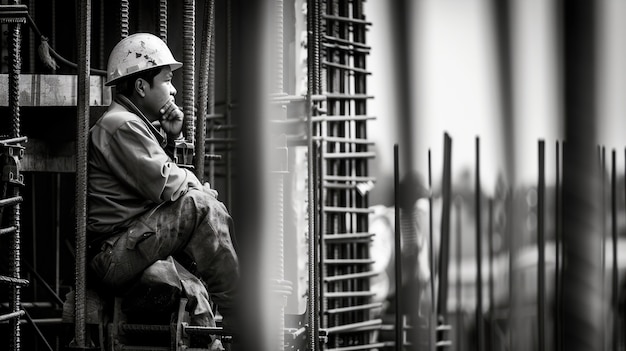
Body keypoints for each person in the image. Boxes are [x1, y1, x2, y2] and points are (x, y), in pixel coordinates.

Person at [86, 33, 239, 331]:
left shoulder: (132, 124)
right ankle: (240, 311)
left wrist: (170, 136)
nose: (174, 90)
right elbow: (168, 184)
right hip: (115, 252)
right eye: (167, 80)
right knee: (201, 206)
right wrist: (199, 189)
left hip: (128, 242)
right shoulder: (120, 125)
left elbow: (160, 179)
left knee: (195, 284)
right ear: (142, 86)